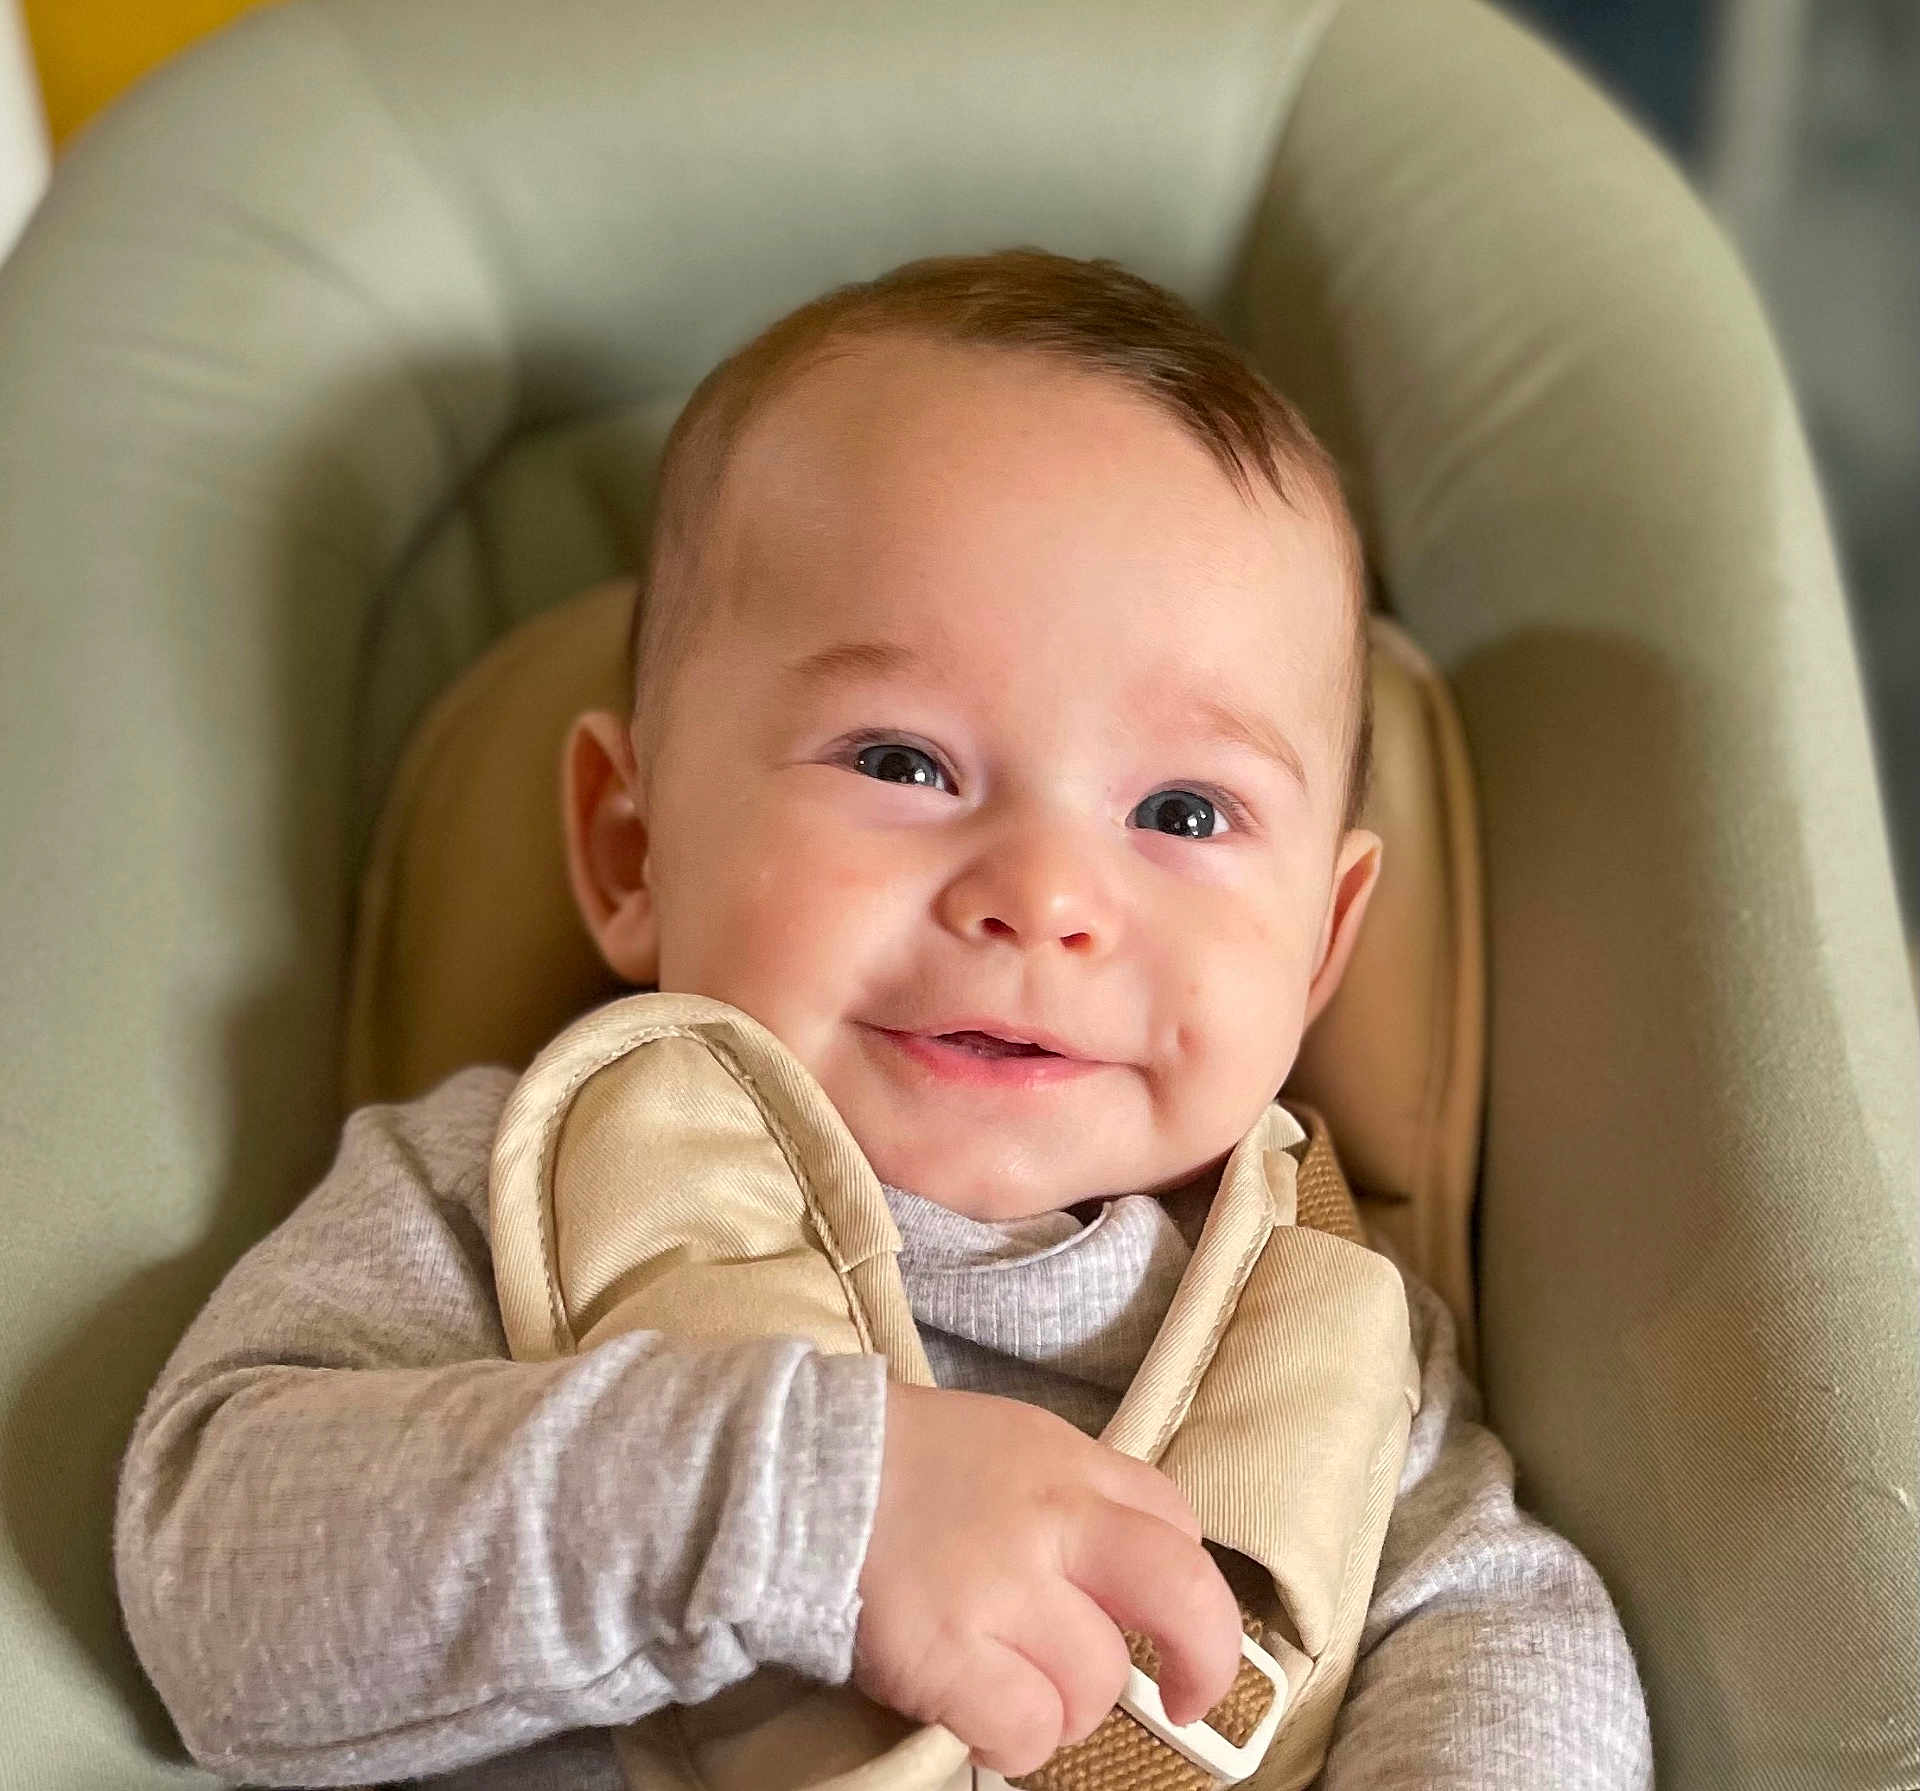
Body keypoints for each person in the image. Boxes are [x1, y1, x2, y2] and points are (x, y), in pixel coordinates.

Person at [114, 250, 1654, 1789]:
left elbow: (1513, 1632)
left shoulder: (1326, 1328)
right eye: (903, 764)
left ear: (1321, 944)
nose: (1043, 895)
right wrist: (792, 1508)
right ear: (629, 850)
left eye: (1182, 809)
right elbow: (216, 1582)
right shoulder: (513, 1191)